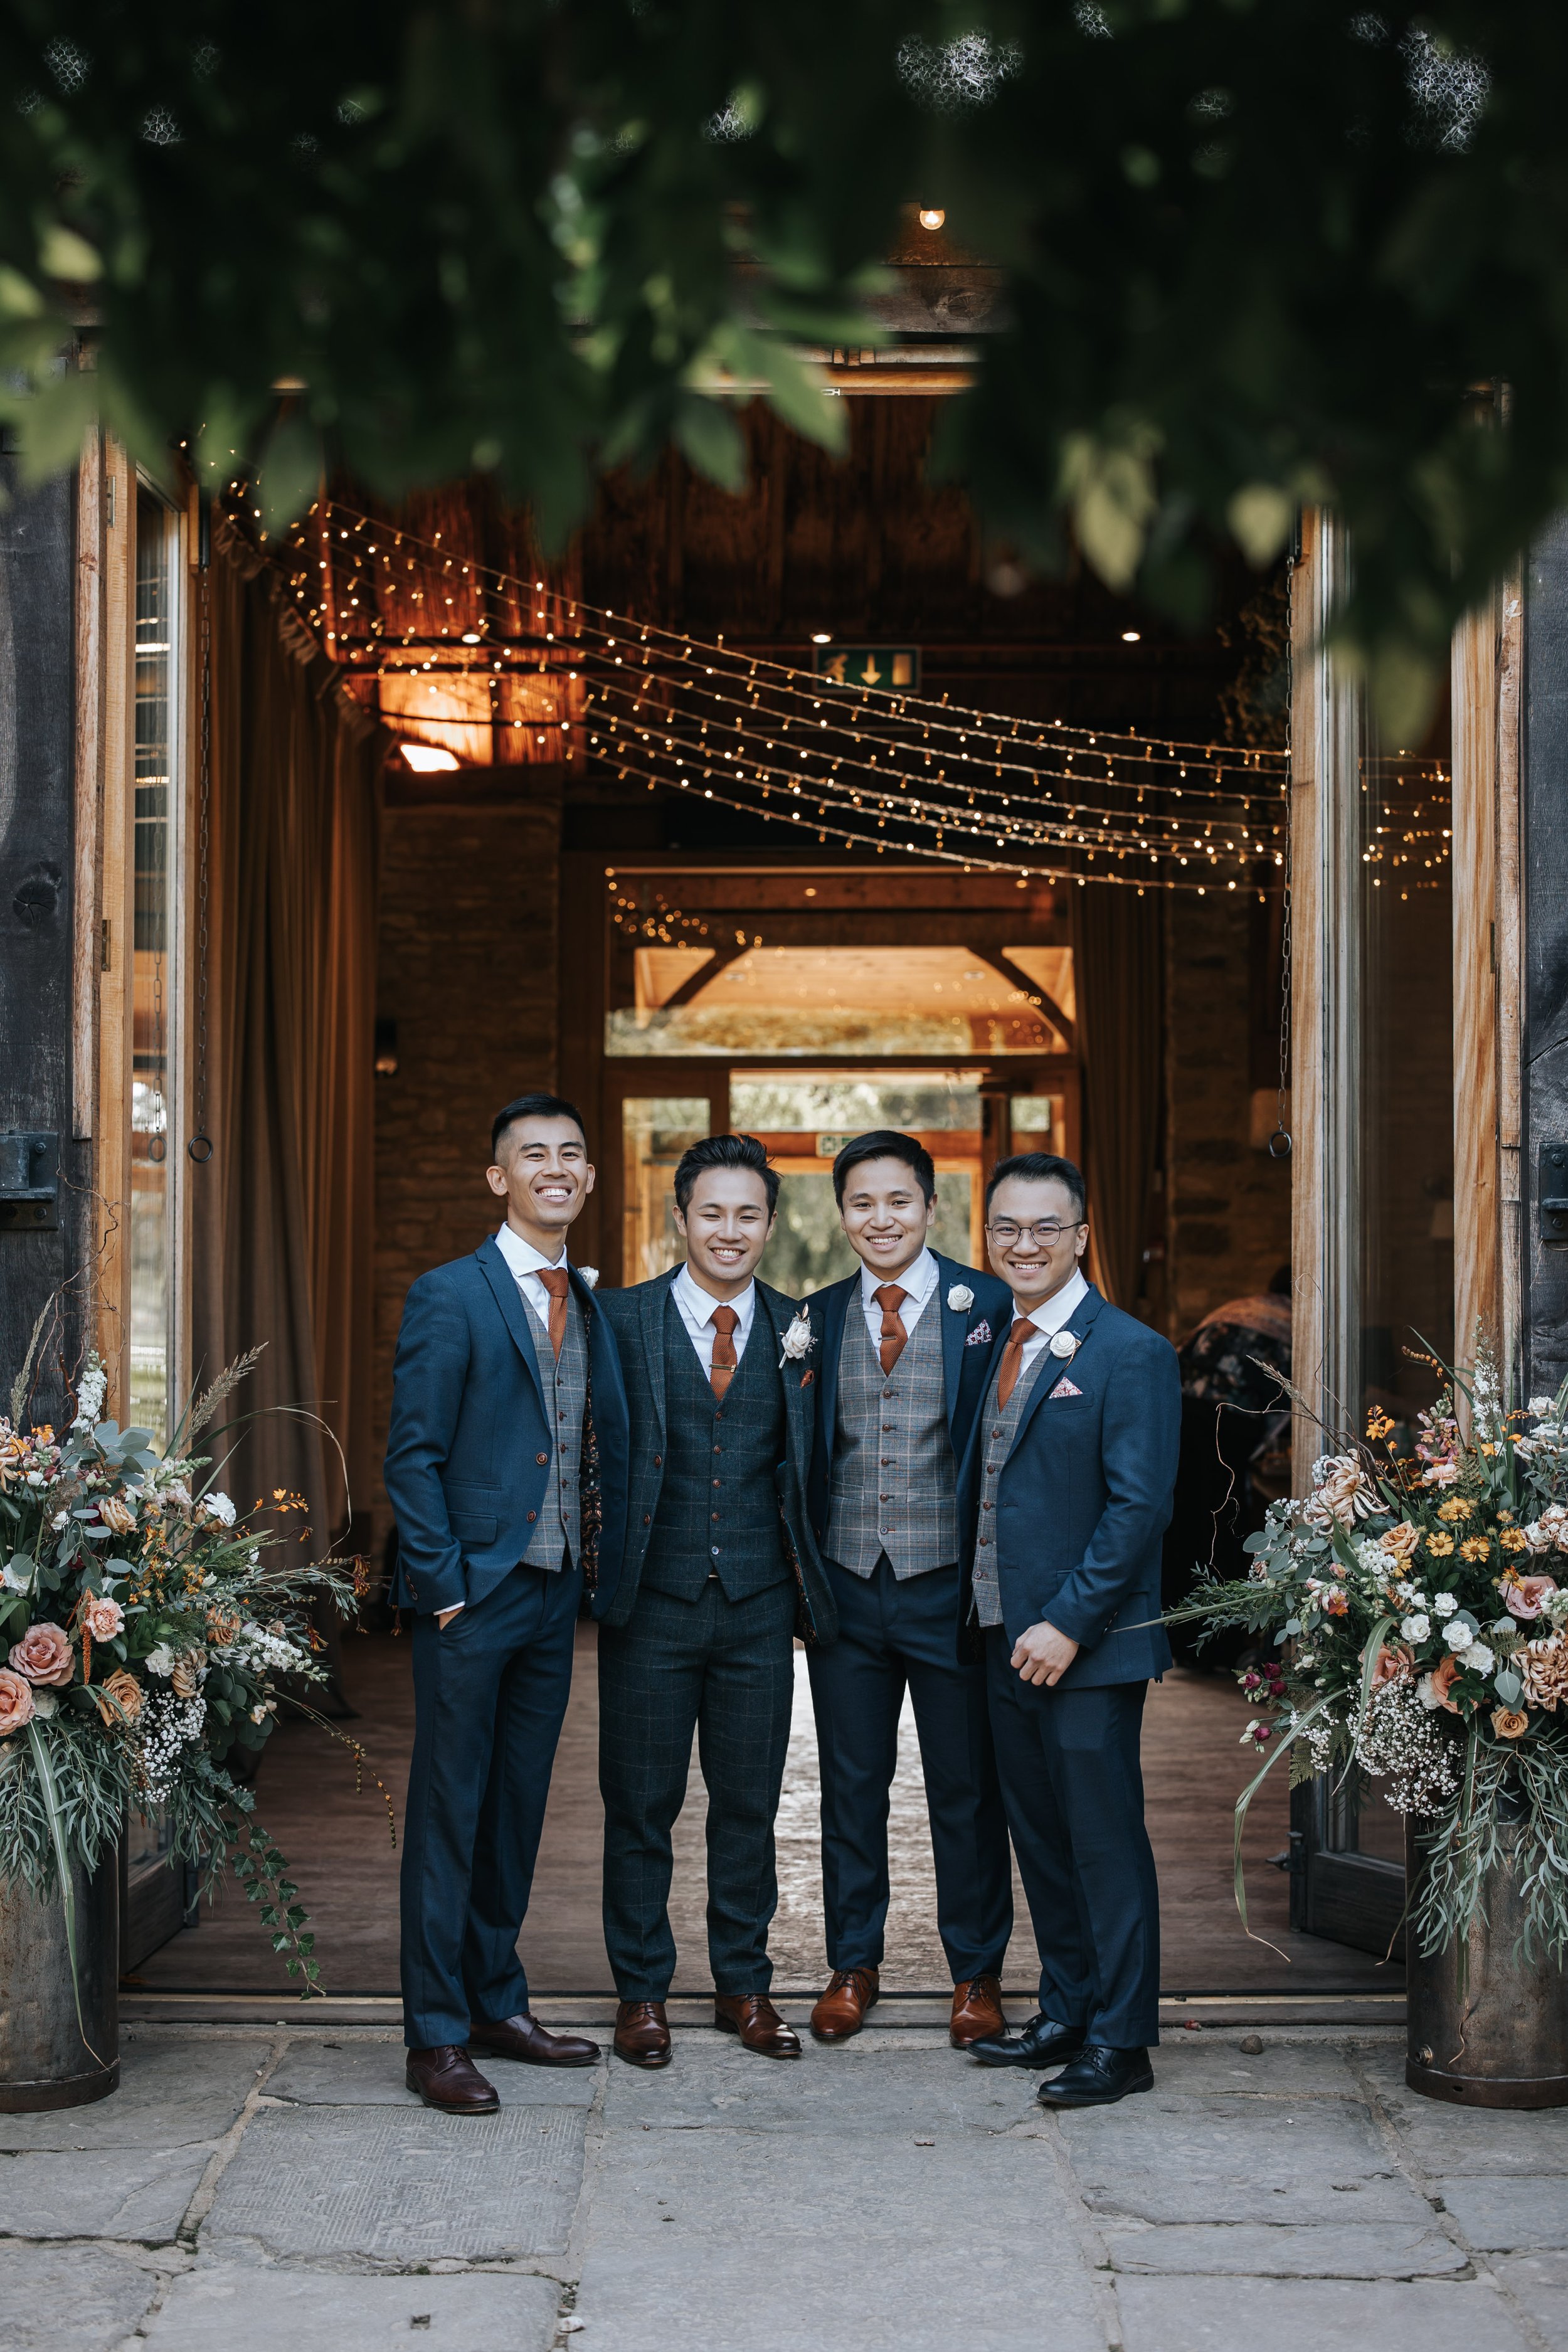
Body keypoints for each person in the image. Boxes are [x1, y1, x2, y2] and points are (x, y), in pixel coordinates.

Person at [385, 1093, 629, 2114]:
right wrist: (443, 1589)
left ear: (589, 1176)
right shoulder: (451, 1293)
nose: (556, 1167)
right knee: (449, 1811)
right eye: (535, 1154)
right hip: (474, 1598)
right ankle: (436, 2033)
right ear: (501, 1178)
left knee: (518, 1807)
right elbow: (413, 1454)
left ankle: (495, 2001)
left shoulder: (591, 1301)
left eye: (572, 1153)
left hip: (553, 1594)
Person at [593, 1133, 835, 2069]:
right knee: (640, 1807)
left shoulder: (801, 1327)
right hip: (651, 1604)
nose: (729, 1230)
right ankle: (642, 1991)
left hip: (759, 1607)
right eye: (712, 1212)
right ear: (681, 1218)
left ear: (771, 1224)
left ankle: (745, 1984)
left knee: (749, 1805)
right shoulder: (622, 1319)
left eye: (748, 1214)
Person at [960, 1152, 1179, 2111]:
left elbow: (1139, 1509)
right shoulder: (996, 1342)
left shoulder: (1131, 1350)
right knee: (1042, 1838)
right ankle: (1067, 2008)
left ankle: (1123, 2040)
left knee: (1103, 1842)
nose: (1026, 1243)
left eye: (1046, 1226)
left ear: (1082, 1236)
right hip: (1003, 1638)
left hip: (1085, 1648)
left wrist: (1068, 1622)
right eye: (1008, 1226)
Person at [801, 1130, 1015, 2048]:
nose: (880, 1218)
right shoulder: (813, 1316)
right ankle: (853, 1964)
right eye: (862, 1203)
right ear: (842, 1214)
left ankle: (976, 1973)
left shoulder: (990, 1304)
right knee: (851, 1786)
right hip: (847, 1588)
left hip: (948, 1589)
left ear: (932, 1206)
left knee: (966, 1789)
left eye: (898, 1200)